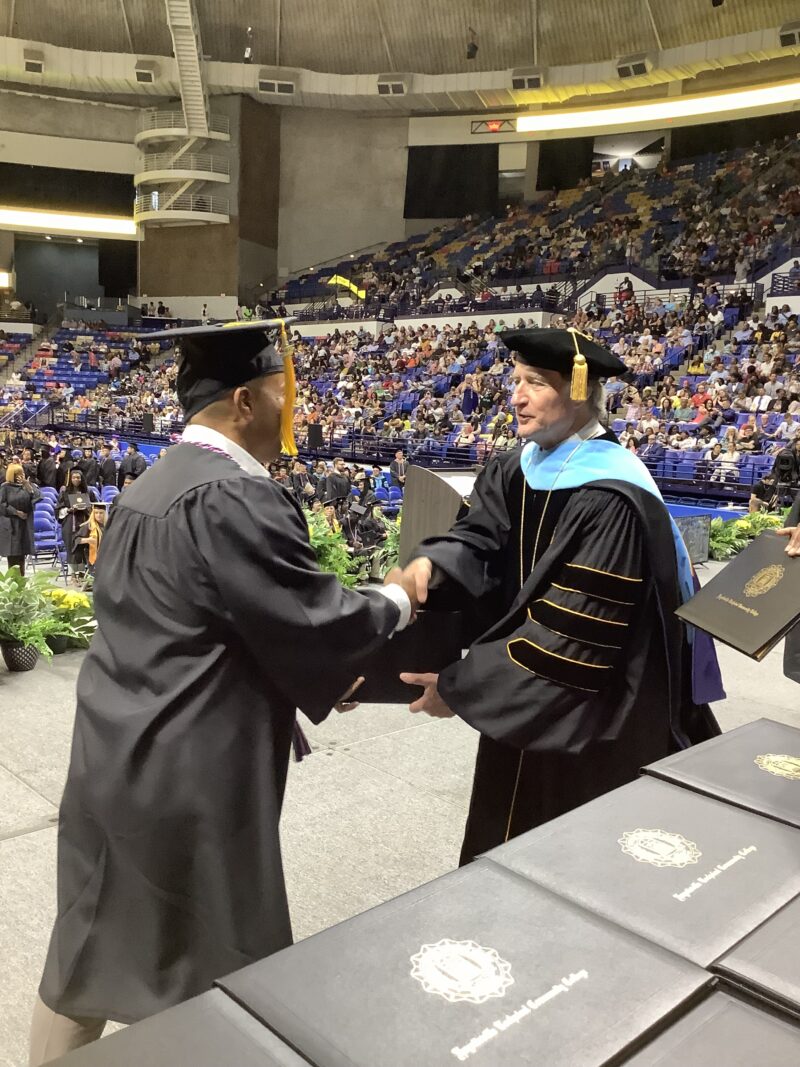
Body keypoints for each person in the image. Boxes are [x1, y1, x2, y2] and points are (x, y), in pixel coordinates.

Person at [31, 320, 418, 1065]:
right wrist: (398, 598)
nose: (292, 410)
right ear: (244, 400)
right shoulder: (232, 496)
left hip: (110, 758)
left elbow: (208, 627)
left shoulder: (146, 488)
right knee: (216, 968)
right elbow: (315, 619)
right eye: (282, 394)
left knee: (84, 949)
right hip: (191, 785)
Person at [394, 328, 722, 865]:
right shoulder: (515, 467)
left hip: (589, 712)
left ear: (577, 391)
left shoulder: (613, 495)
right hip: (521, 692)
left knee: (567, 858)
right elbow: (480, 537)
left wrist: (461, 687)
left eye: (535, 383)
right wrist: (430, 564)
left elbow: (574, 631)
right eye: (515, 379)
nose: (516, 396)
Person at [0, 463, 41, 574]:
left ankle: (21, 583)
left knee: (21, 555)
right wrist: (16, 512)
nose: (21, 476)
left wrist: (28, 485)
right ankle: (13, 583)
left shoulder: (26, 485)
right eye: (17, 474)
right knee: (13, 555)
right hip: (11, 525)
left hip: (24, 524)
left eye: (22, 473)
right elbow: (2, 504)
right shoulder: (5, 487)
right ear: (11, 475)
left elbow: (38, 497)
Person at [57, 469, 91, 582]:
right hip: (70, 522)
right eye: (74, 477)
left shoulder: (88, 492)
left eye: (78, 477)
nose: (76, 479)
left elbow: (95, 505)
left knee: (81, 548)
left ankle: (81, 573)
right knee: (71, 548)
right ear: (70, 479)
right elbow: (58, 509)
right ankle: (72, 575)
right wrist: (69, 509)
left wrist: (87, 508)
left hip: (84, 522)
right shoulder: (64, 492)